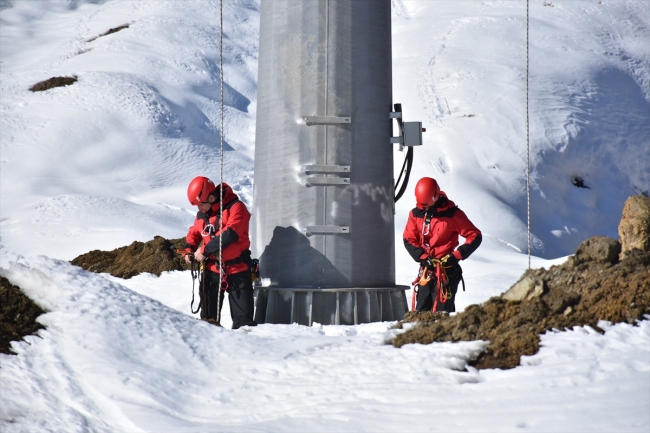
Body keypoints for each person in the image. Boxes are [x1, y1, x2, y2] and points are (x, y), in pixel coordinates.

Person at [184, 176, 256, 329]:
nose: (199, 209)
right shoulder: (203, 214)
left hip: (238, 271)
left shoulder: (236, 208)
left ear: (211, 197)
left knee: (244, 325)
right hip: (211, 272)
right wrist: (188, 249)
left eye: (200, 205)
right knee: (208, 321)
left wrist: (204, 250)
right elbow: (194, 233)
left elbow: (230, 234)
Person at [403, 177, 482, 313]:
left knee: (441, 313)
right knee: (421, 313)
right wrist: (422, 257)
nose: (423, 208)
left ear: (434, 197)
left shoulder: (453, 215)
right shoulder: (416, 214)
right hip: (427, 272)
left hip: (446, 271)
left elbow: (474, 235)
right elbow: (409, 238)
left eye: (426, 205)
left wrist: (456, 255)